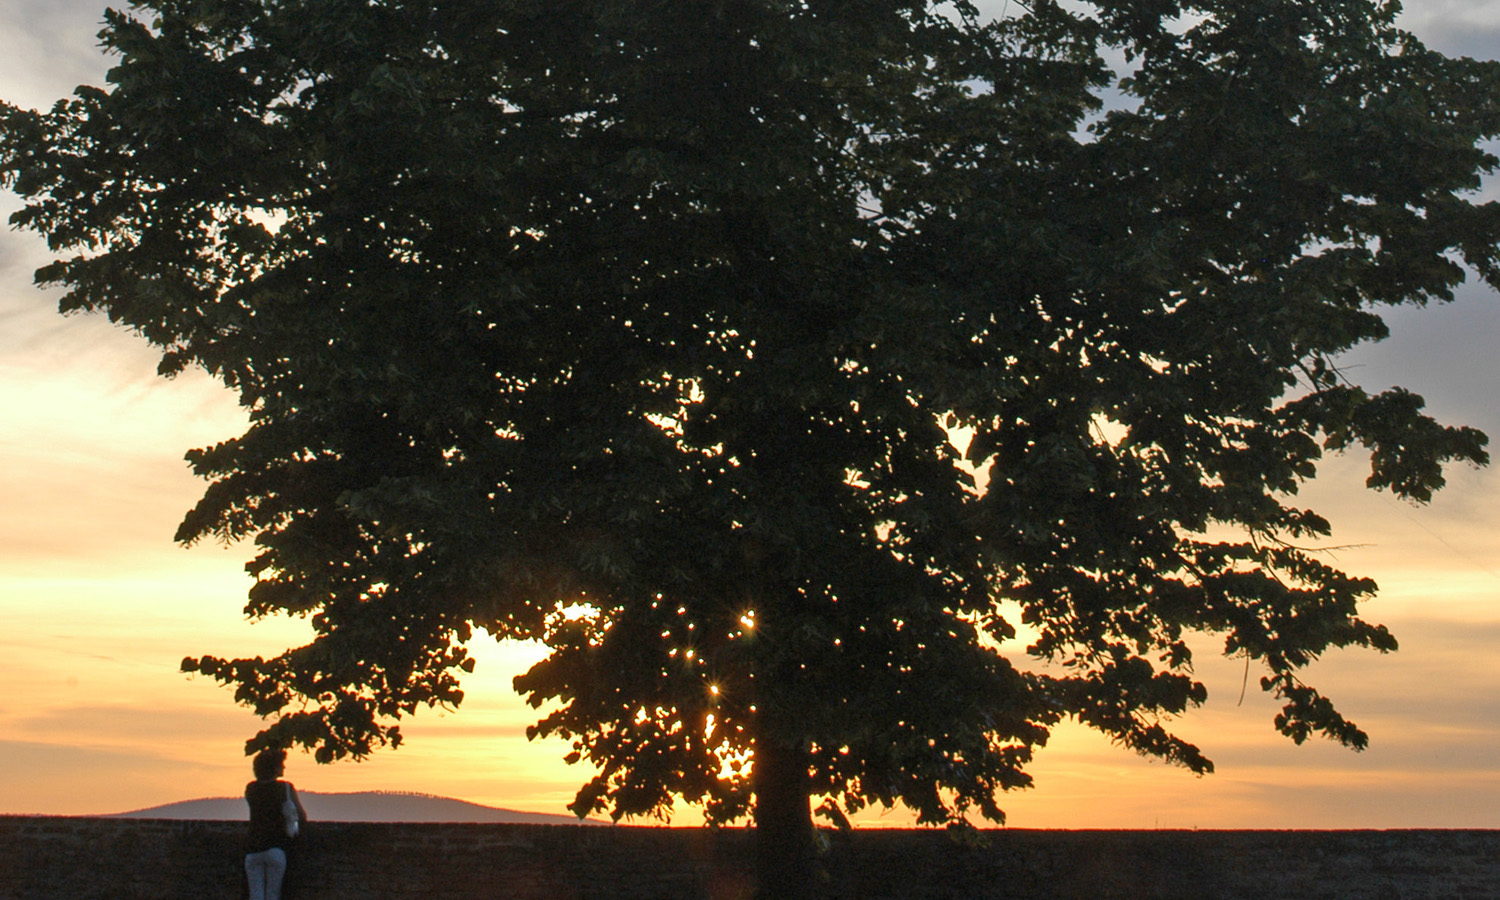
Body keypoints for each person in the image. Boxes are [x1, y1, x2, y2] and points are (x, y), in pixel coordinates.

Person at [244, 748, 307, 900]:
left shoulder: (251, 788)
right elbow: (301, 815)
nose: (283, 767)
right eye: (281, 764)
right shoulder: (285, 788)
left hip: (253, 849)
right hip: (276, 848)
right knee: (273, 894)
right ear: (274, 768)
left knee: (256, 895)